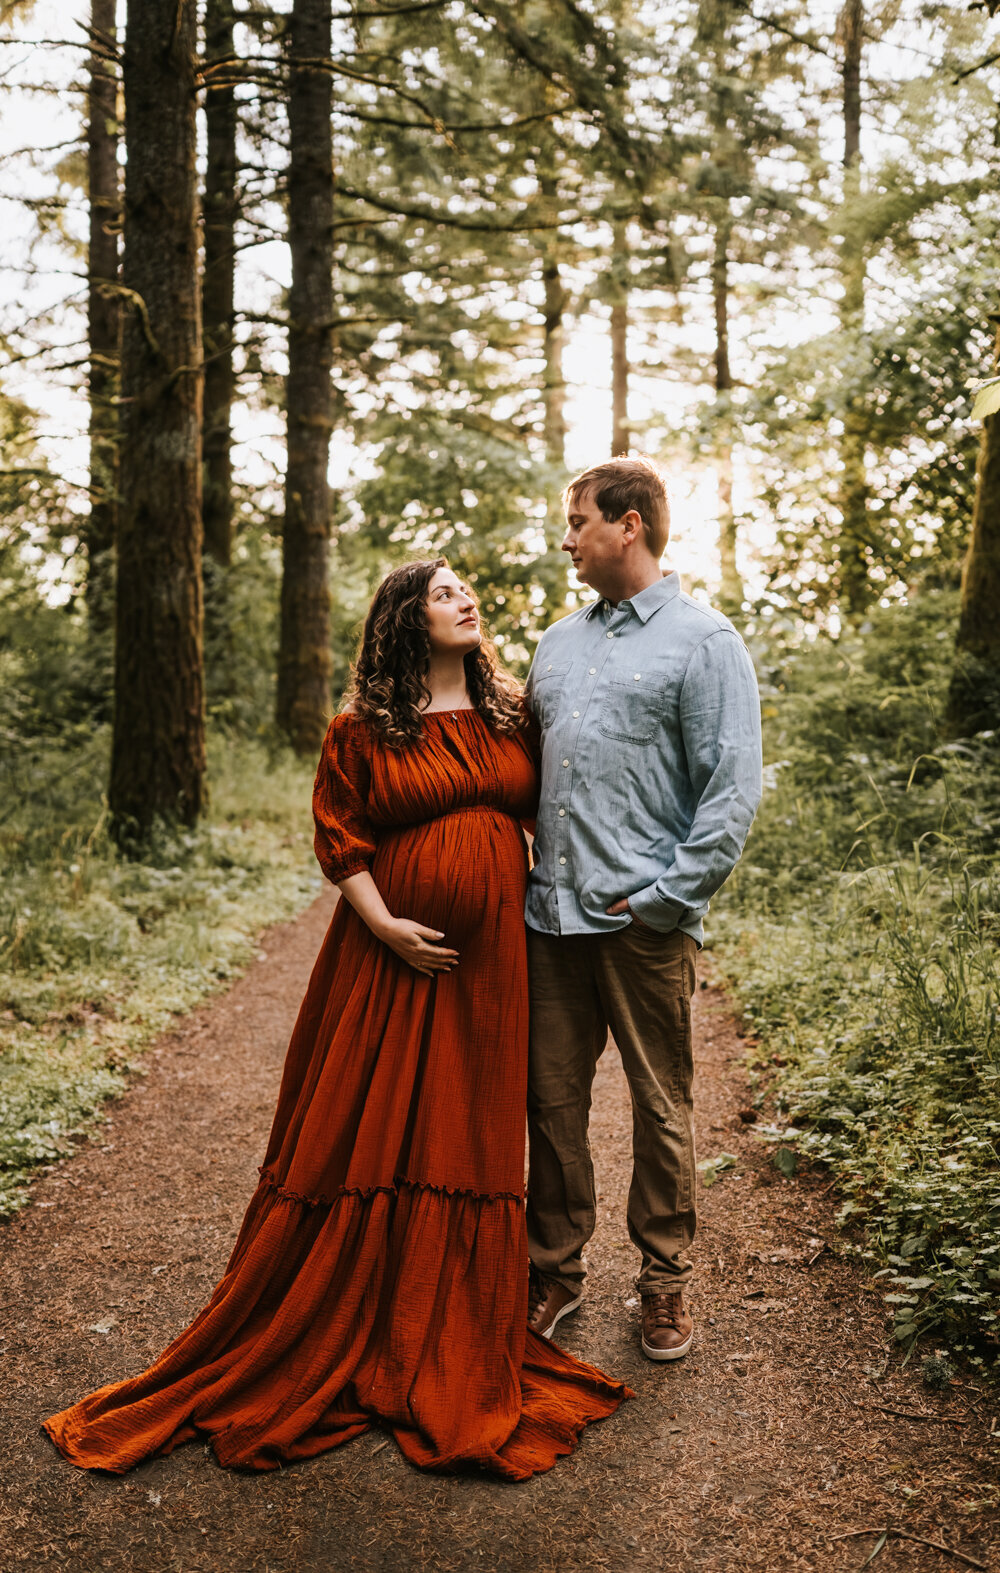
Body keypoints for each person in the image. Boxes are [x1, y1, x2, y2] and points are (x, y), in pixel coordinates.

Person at [43, 559, 628, 1481]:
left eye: (467, 588)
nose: (466, 599)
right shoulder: (361, 727)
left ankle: (453, 1309)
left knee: (465, 1119)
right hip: (387, 956)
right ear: (404, 618)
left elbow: (566, 801)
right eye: (444, 592)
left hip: (493, 965)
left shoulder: (512, 712)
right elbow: (340, 833)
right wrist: (388, 924)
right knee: (368, 1122)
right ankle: (358, 1308)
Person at [523, 456, 763, 1363]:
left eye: (578, 519)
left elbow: (731, 791)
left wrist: (668, 901)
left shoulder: (705, 642)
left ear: (630, 524)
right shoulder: (556, 642)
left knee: (661, 1108)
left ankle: (664, 1284)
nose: (567, 537)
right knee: (551, 1108)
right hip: (549, 924)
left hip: (642, 927)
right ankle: (555, 1272)